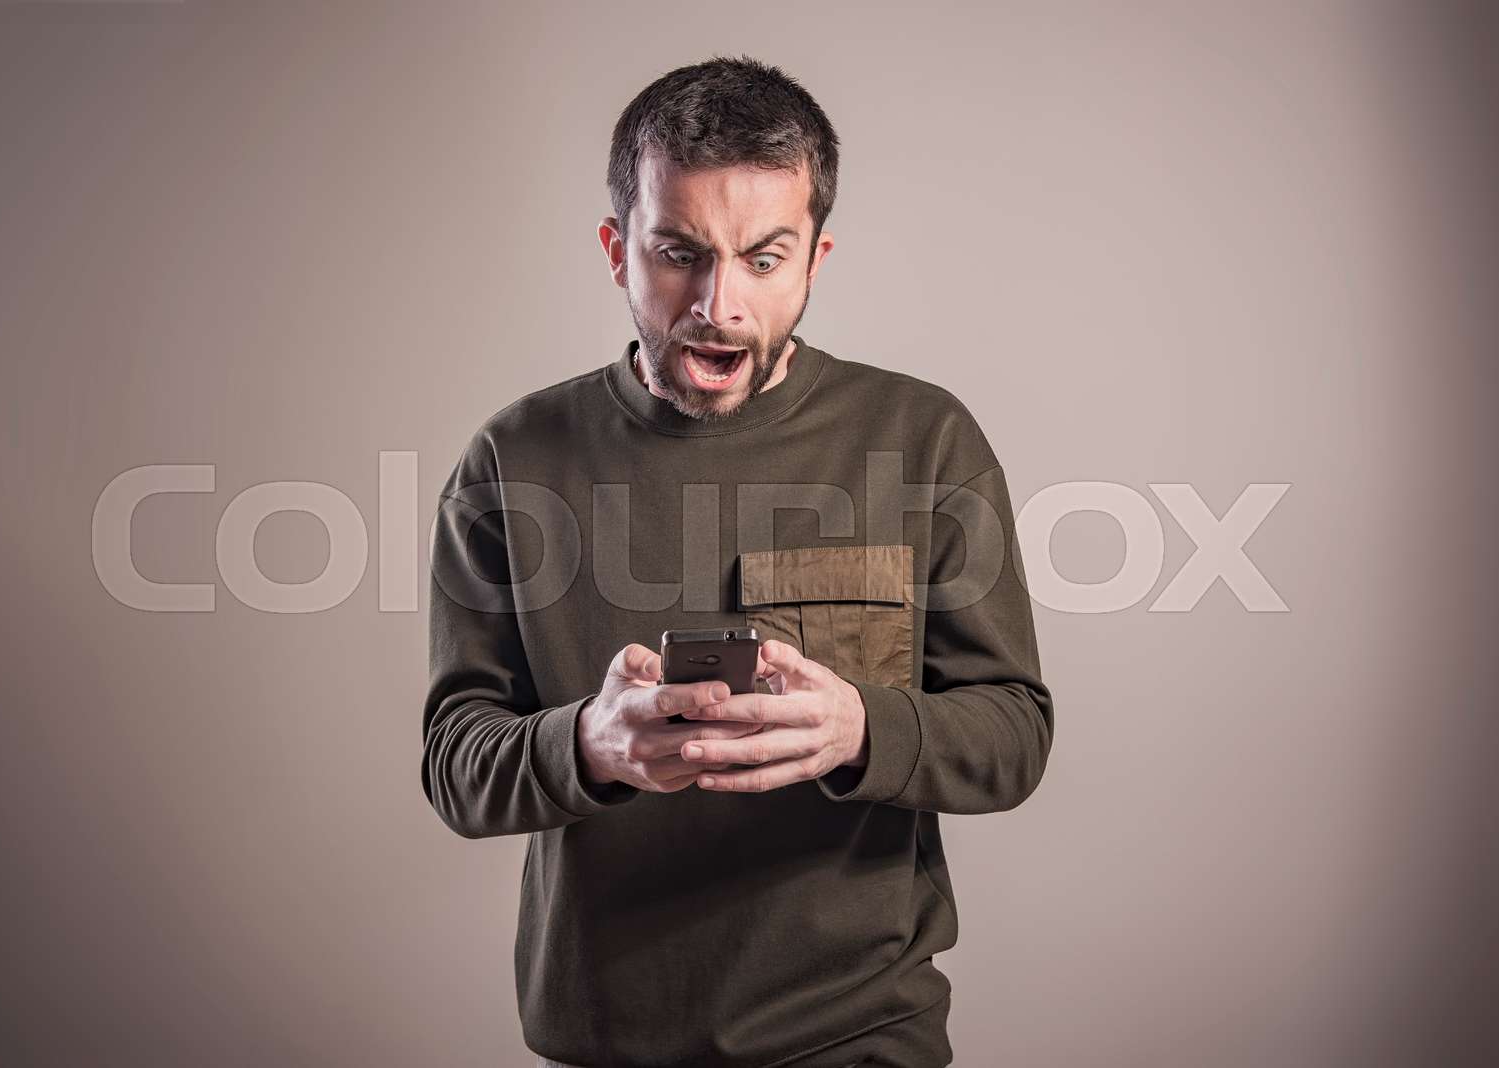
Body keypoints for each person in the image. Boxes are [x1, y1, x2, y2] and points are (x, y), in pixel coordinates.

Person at [422, 54, 1054, 1068]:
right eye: (678, 252)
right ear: (615, 248)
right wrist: (590, 744)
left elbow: (1013, 736)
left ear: (814, 259)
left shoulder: (925, 438)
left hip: (859, 1031)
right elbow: (456, 766)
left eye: (764, 258)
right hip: (604, 1035)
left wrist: (858, 725)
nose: (717, 304)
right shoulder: (512, 457)